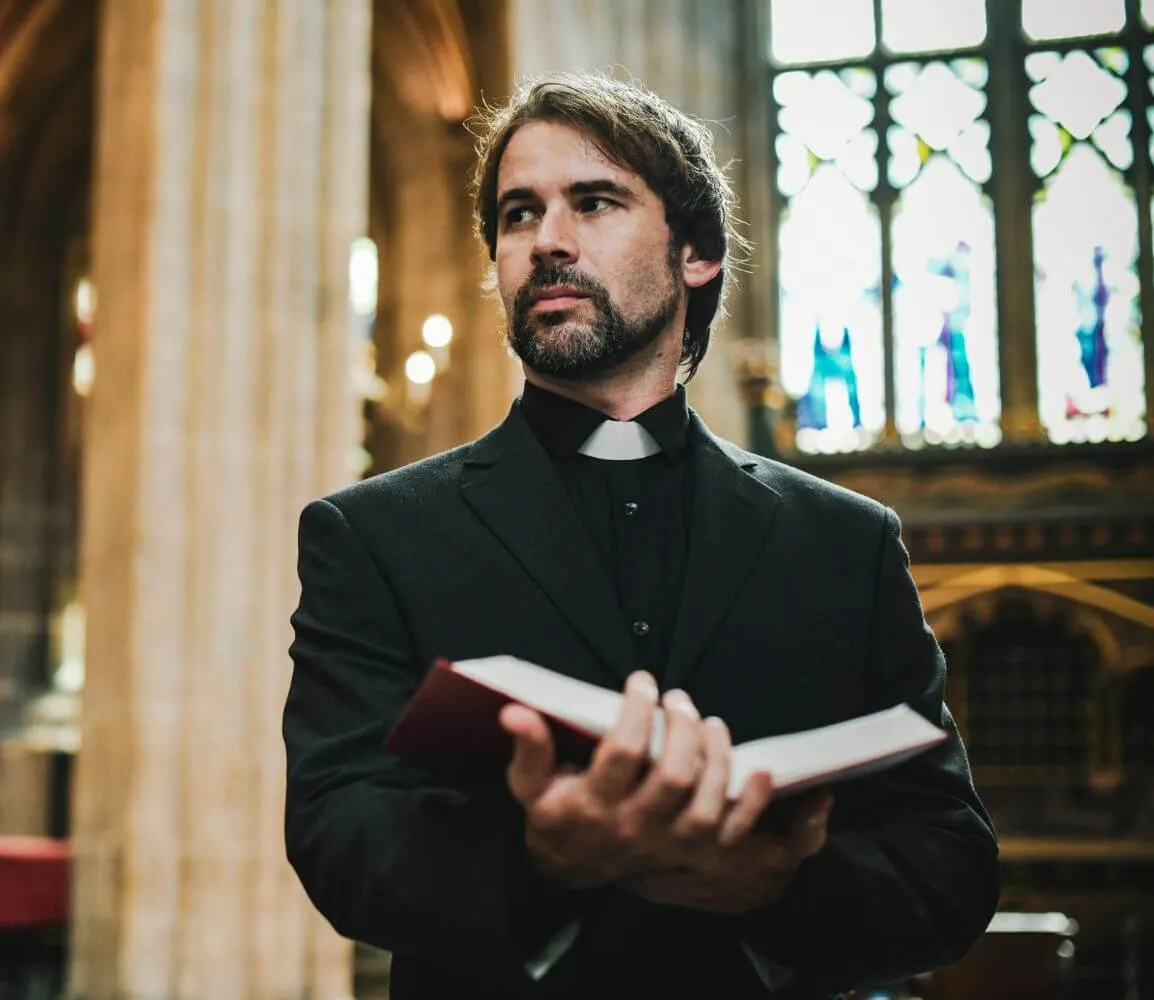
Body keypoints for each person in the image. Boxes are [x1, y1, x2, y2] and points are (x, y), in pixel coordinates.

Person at [283, 72, 999, 1000]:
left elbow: (949, 862)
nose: (548, 241)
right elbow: (340, 835)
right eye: (517, 214)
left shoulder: (843, 542)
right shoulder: (373, 533)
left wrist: (780, 886)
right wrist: (541, 860)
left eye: (595, 202)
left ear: (696, 253)